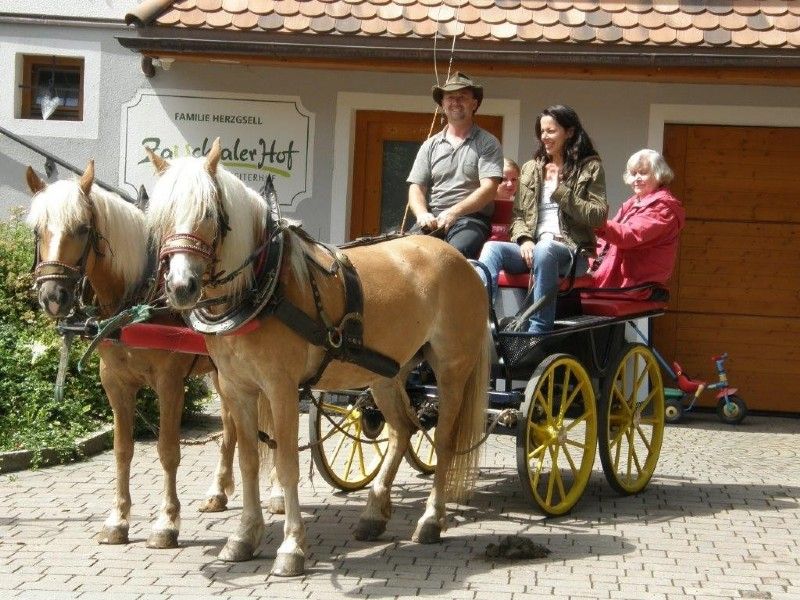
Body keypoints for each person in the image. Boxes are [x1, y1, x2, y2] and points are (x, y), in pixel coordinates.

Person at [477, 104, 608, 334]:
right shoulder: (530, 168)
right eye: (542, 132)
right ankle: (480, 320)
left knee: (545, 249)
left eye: (551, 131)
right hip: (535, 248)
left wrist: (561, 191)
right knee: (492, 249)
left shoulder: (590, 168)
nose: (544, 137)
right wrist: (525, 239)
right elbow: (517, 217)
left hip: (571, 253)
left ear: (569, 132)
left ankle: (538, 330)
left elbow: (597, 216)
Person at [406, 72, 504, 259]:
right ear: (442, 104)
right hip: (433, 219)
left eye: (463, 97)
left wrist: (454, 212)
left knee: (450, 258)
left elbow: (489, 189)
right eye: (450, 97)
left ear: (474, 104)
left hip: (470, 220)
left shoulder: (488, 143)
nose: (456, 102)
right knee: (405, 255)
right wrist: (422, 214)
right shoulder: (430, 145)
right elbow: (416, 187)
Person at [588, 149, 685, 298]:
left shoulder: (663, 207)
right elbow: (604, 242)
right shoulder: (633, 202)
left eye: (643, 173)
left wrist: (597, 223)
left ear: (659, 174)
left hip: (633, 285)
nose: (637, 178)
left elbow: (629, 235)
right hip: (613, 279)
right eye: (633, 174)